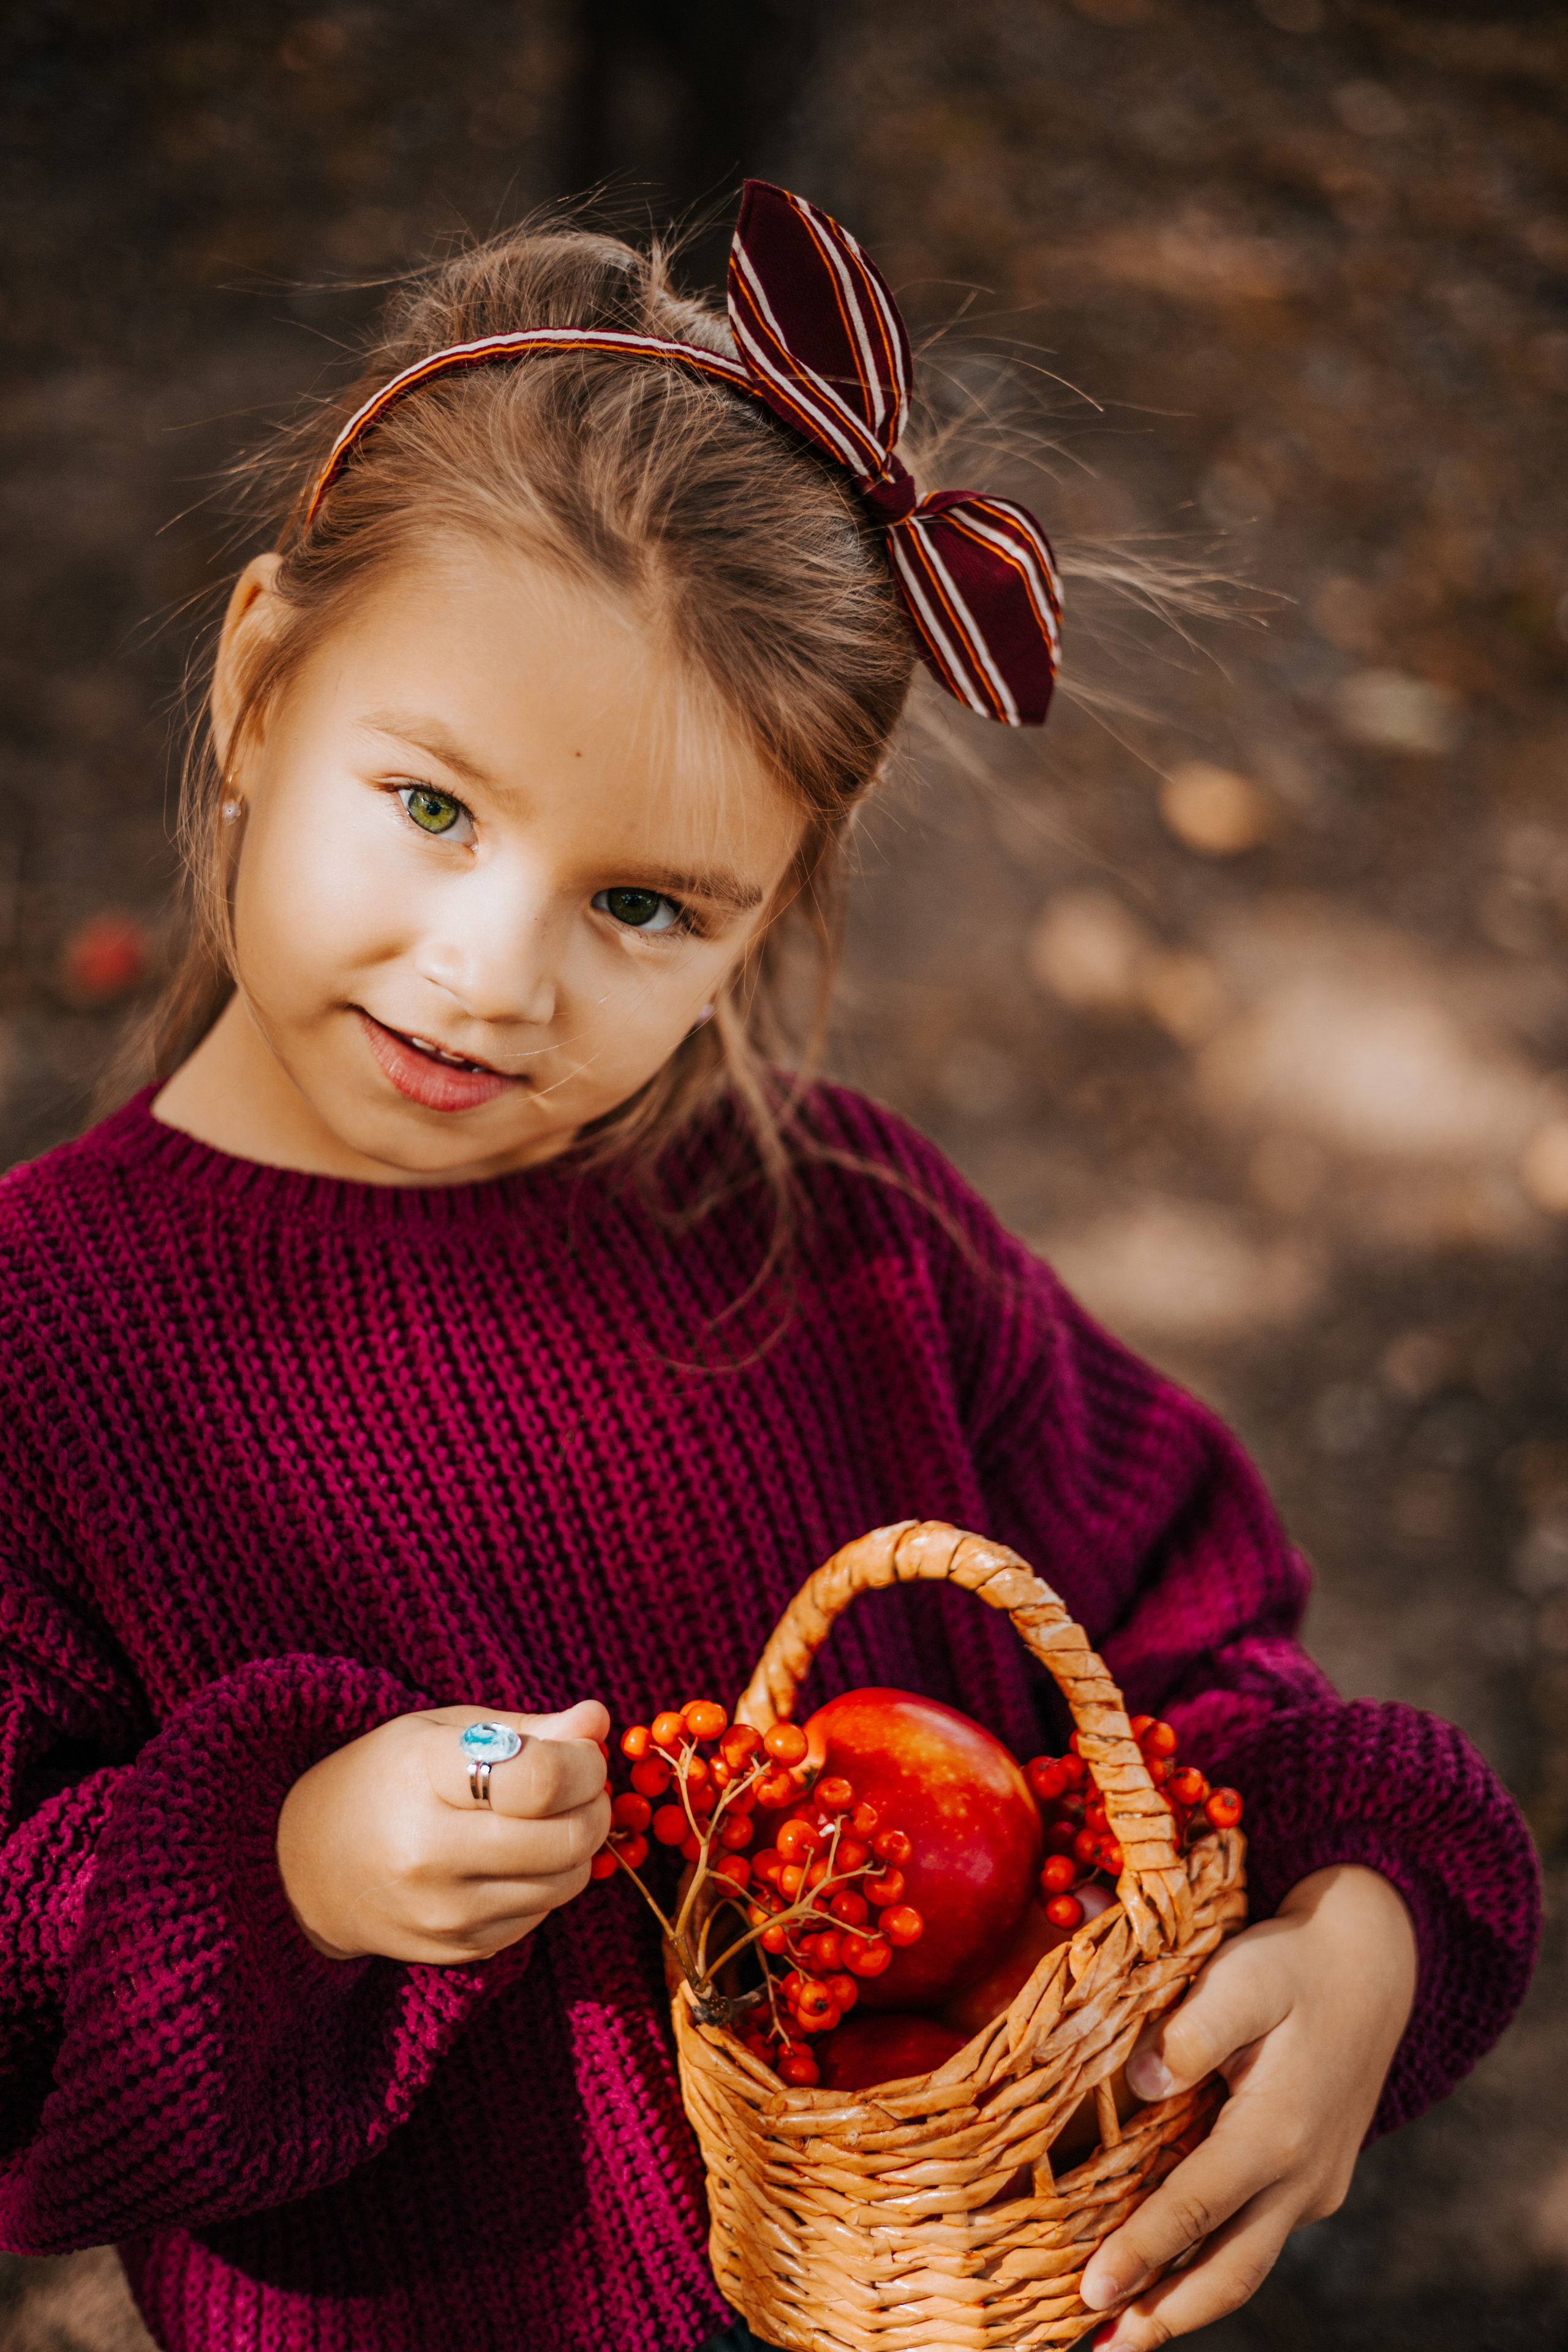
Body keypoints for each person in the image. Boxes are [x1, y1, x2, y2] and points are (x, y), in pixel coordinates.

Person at [0, 181, 1538, 2352]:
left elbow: (1206, 1651)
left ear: (775, 899)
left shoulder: (848, 1235)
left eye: (650, 907)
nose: (493, 972)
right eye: (433, 806)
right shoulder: (45, 1347)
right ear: (260, 682)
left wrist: (1360, 1919)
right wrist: (290, 1872)